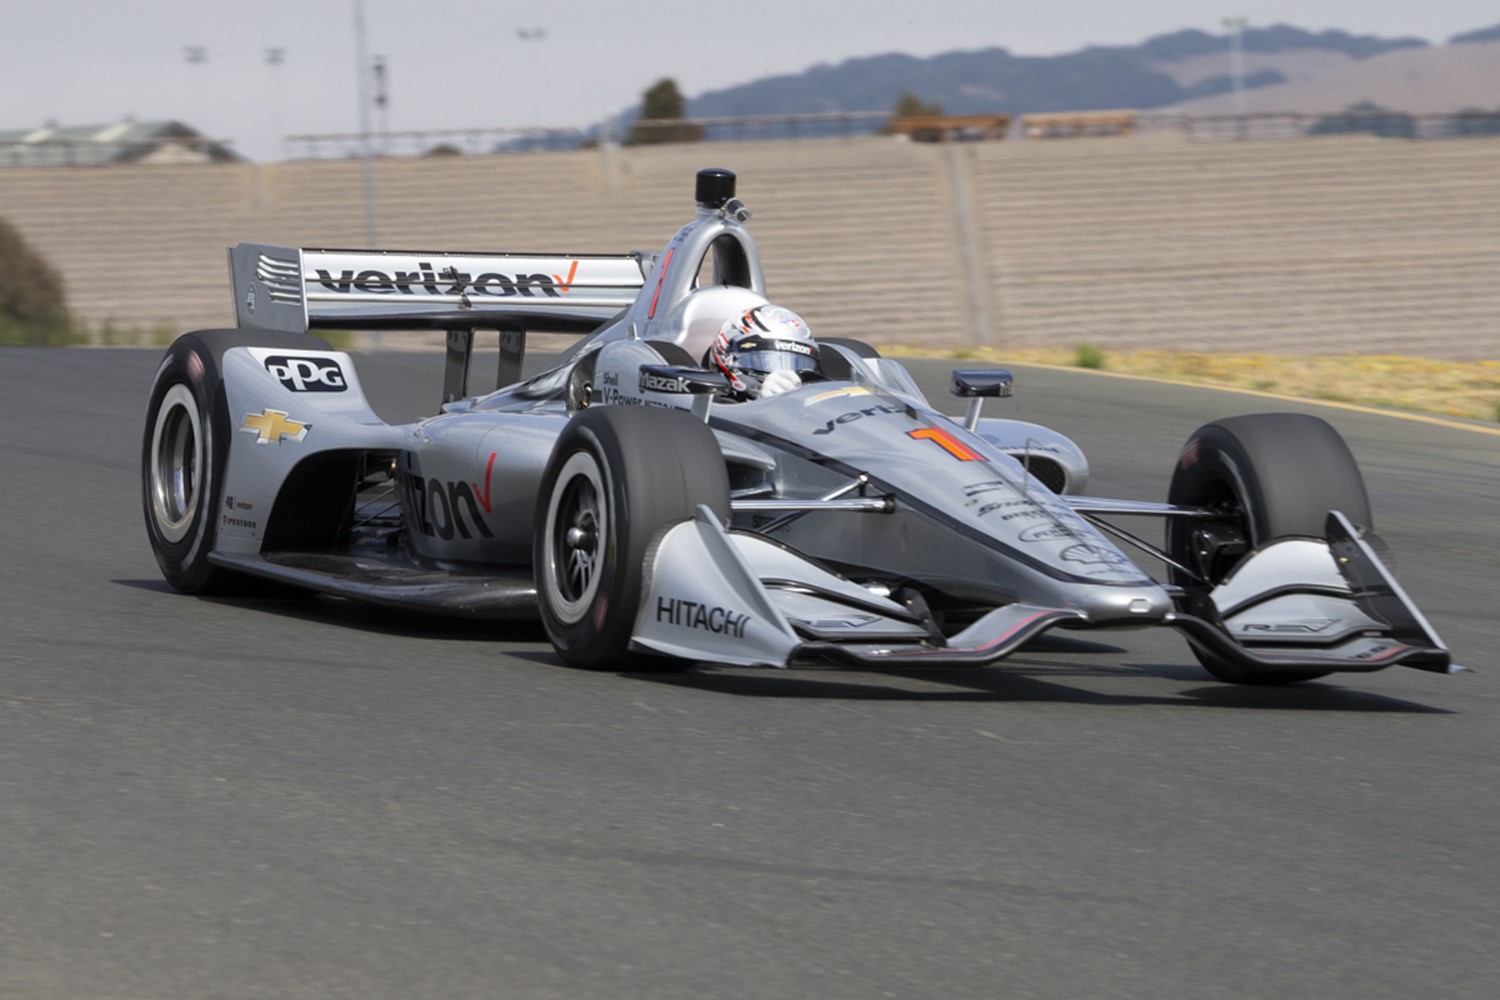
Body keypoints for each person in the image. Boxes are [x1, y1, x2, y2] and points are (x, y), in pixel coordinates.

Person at [707, 304, 821, 400]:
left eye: (797, 364)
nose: (782, 377)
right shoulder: (709, 406)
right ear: (727, 358)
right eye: (765, 361)